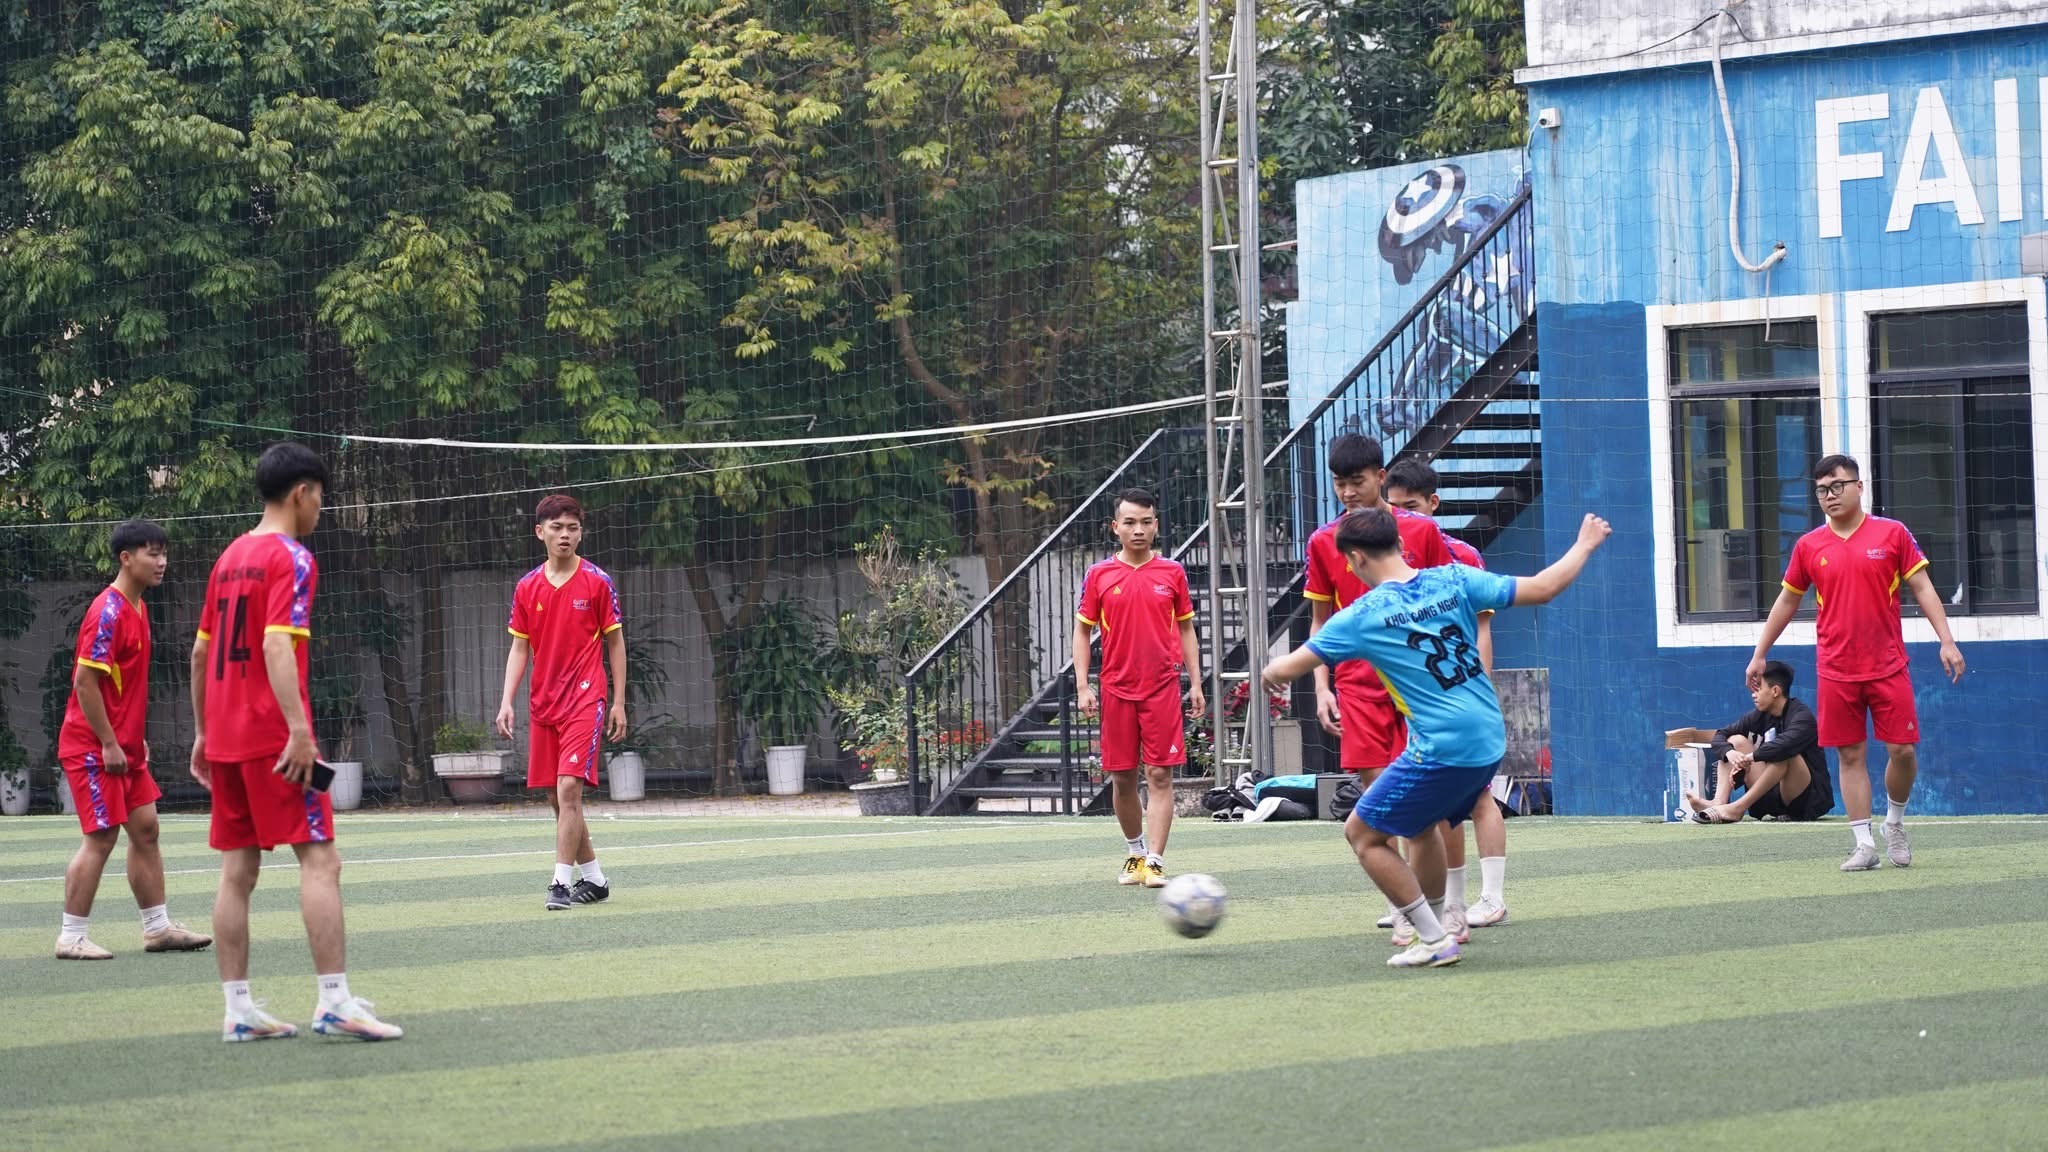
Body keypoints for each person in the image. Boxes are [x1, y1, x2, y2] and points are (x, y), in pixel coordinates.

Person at [1265, 507, 1611, 968]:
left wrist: (1269, 672)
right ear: (1400, 545)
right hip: (1489, 738)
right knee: (1420, 826)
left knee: (1362, 835)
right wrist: (1585, 543)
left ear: (1356, 559)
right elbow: (1544, 587)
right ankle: (1438, 922)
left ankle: (1431, 937)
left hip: (1443, 748)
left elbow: (1288, 667)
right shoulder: (1454, 578)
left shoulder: (1362, 615)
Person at [192, 442, 400, 1041]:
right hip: (276, 741)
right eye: (321, 498)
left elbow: (201, 652)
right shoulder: (293, 558)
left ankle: (237, 1010)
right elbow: (276, 644)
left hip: (226, 737)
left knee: (237, 870)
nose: (320, 510)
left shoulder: (229, 557)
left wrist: (203, 732)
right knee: (321, 860)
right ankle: (334, 1002)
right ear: (302, 493)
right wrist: (301, 732)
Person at [1746, 454, 1964, 871]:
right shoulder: (1809, 546)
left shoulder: (1892, 533)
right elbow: (1787, 601)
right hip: (1836, 670)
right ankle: (1864, 845)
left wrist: (1947, 640)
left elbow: (1922, 586)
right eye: (1821, 490)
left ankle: (1894, 822)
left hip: (1888, 665)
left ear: (1859, 487)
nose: (1829, 496)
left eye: (1837, 486)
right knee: (1850, 755)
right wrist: (1759, 654)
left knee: (1902, 751)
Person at [1303, 435, 1456, 945]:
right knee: (1381, 803)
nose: (1348, 492)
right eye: (1339, 483)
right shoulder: (1323, 541)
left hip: (1418, 682)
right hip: (1357, 685)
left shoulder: (1422, 531)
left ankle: (1439, 912)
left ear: (1381, 477)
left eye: (1357, 481)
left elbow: (1445, 601)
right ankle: (1404, 907)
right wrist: (1321, 686)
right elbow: (1320, 620)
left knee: (1423, 809)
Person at [53, 520, 212, 960]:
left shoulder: (138, 607)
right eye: (152, 554)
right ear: (126, 558)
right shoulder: (108, 612)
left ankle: (158, 930)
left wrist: (131, 739)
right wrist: (108, 742)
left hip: (124, 748)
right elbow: (85, 682)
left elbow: (120, 688)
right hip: (93, 747)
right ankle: (70, 937)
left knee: (146, 829)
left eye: (163, 553)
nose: (162, 562)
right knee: (101, 837)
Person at [1383, 457, 1510, 929]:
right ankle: (1423, 900)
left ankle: (1490, 898)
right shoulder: (1388, 558)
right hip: (1414, 696)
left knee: (1476, 796)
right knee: (1423, 800)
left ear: (1433, 504)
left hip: (1458, 695)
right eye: (1394, 508)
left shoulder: (1461, 557)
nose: (1402, 517)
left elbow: (1482, 629)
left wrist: (1479, 685)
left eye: (1411, 507)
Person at [496, 494, 627, 910]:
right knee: (558, 799)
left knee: (569, 788)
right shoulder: (527, 587)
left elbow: (615, 642)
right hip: (543, 703)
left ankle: (559, 883)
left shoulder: (597, 581)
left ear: (580, 533)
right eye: (557, 528)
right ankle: (595, 879)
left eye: (572, 527)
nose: (565, 534)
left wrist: (619, 701)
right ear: (540, 533)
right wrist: (506, 701)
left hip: (587, 698)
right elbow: (520, 648)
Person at [1074, 488, 1204, 888]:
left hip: (1162, 687)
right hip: (1115, 688)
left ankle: (1156, 861)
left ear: (1156, 525)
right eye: (1130, 522)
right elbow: (1082, 632)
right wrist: (1082, 685)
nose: (1138, 530)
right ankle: (1136, 852)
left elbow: (1186, 628)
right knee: (1123, 778)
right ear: (1115, 527)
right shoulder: (1099, 575)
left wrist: (1196, 681)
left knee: (1160, 775)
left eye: (1146, 522)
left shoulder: (1172, 573)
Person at [1685, 660, 1831, 824]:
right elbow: (1720, 735)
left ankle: (1737, 808)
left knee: (1785, 754)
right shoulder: (1758, 716)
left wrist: (1748, 758)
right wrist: (1731, 753)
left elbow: (1784, 746)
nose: (1753, 694)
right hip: (1772, 795)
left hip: (1804, 799)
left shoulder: (1802, 717)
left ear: (1775, 691)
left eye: (1758, 689)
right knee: (1735, 741)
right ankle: (1718, 802)